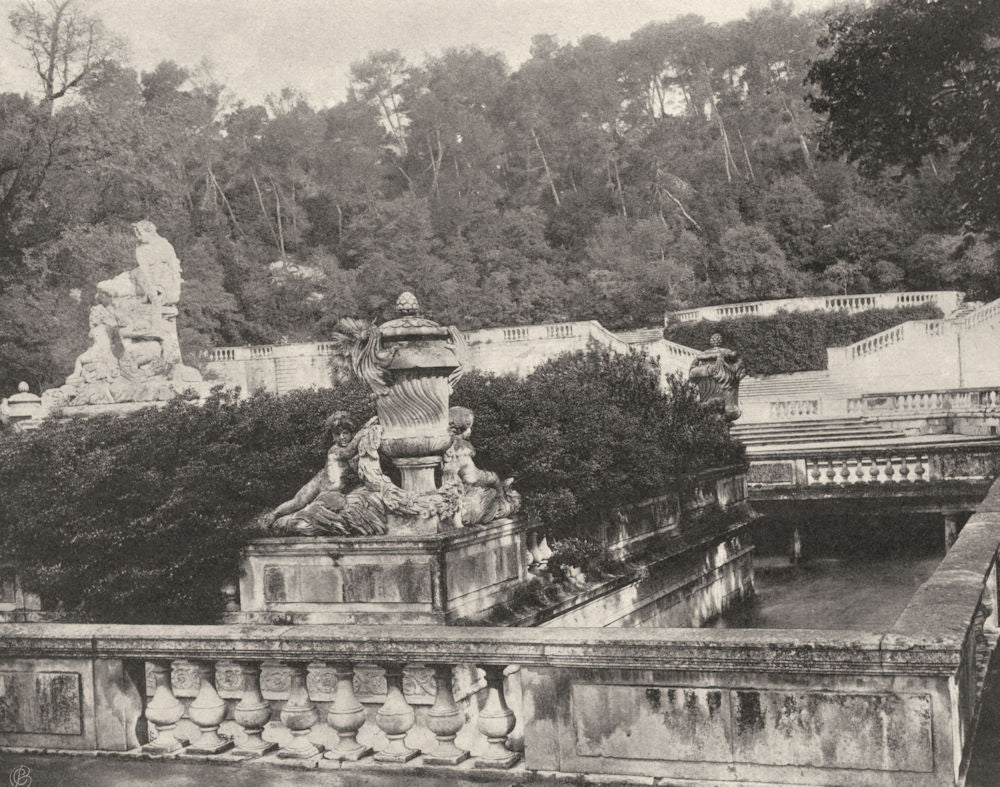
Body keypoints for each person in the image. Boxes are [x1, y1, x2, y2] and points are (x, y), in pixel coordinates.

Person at [445, 406, 520, 526]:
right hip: (462, 507)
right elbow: (471, 477)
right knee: (499, 498)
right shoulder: (460, 448)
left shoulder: (442, 444)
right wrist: (493, 478)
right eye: (469, 426)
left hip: (450, 502)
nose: (471, 430)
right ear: (461, 427)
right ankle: (508, 503)